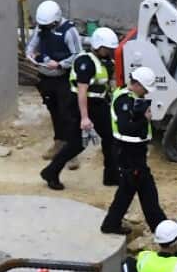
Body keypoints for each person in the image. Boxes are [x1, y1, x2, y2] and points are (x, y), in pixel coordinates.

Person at [40, 26, 120, 190]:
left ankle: (111, 175)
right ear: (98, 47)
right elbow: (82, 91)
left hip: (99, 104)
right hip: (81, 106)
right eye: (107, 49)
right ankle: (51, 172)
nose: (110, 52)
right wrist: (84, 118)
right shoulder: (85, 62)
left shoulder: (105, 61)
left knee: (110, 139)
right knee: (77, 144)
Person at [100, 66, 167, 235]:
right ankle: (160, 227)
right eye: (145, 88)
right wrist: (145, 120)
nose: (146, 93)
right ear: (136, 84)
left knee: (130, 190)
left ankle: (112, 223)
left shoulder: (129, 96)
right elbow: (126, 127)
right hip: (128, 152)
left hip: (132, 151)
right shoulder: (124, 100)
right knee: (143, 189)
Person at [26, 0, 82, 164]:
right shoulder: (41, 28)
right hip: (45, 78)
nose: (44, 28)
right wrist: (31, 56)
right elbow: (31, 46)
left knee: (68, 114)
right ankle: (59, 142)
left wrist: (60, 64)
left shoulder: (69, 32)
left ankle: (72, 151)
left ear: (56, 21)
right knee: (54, 111)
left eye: (48, 25)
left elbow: (78, 56)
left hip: (63, 78)